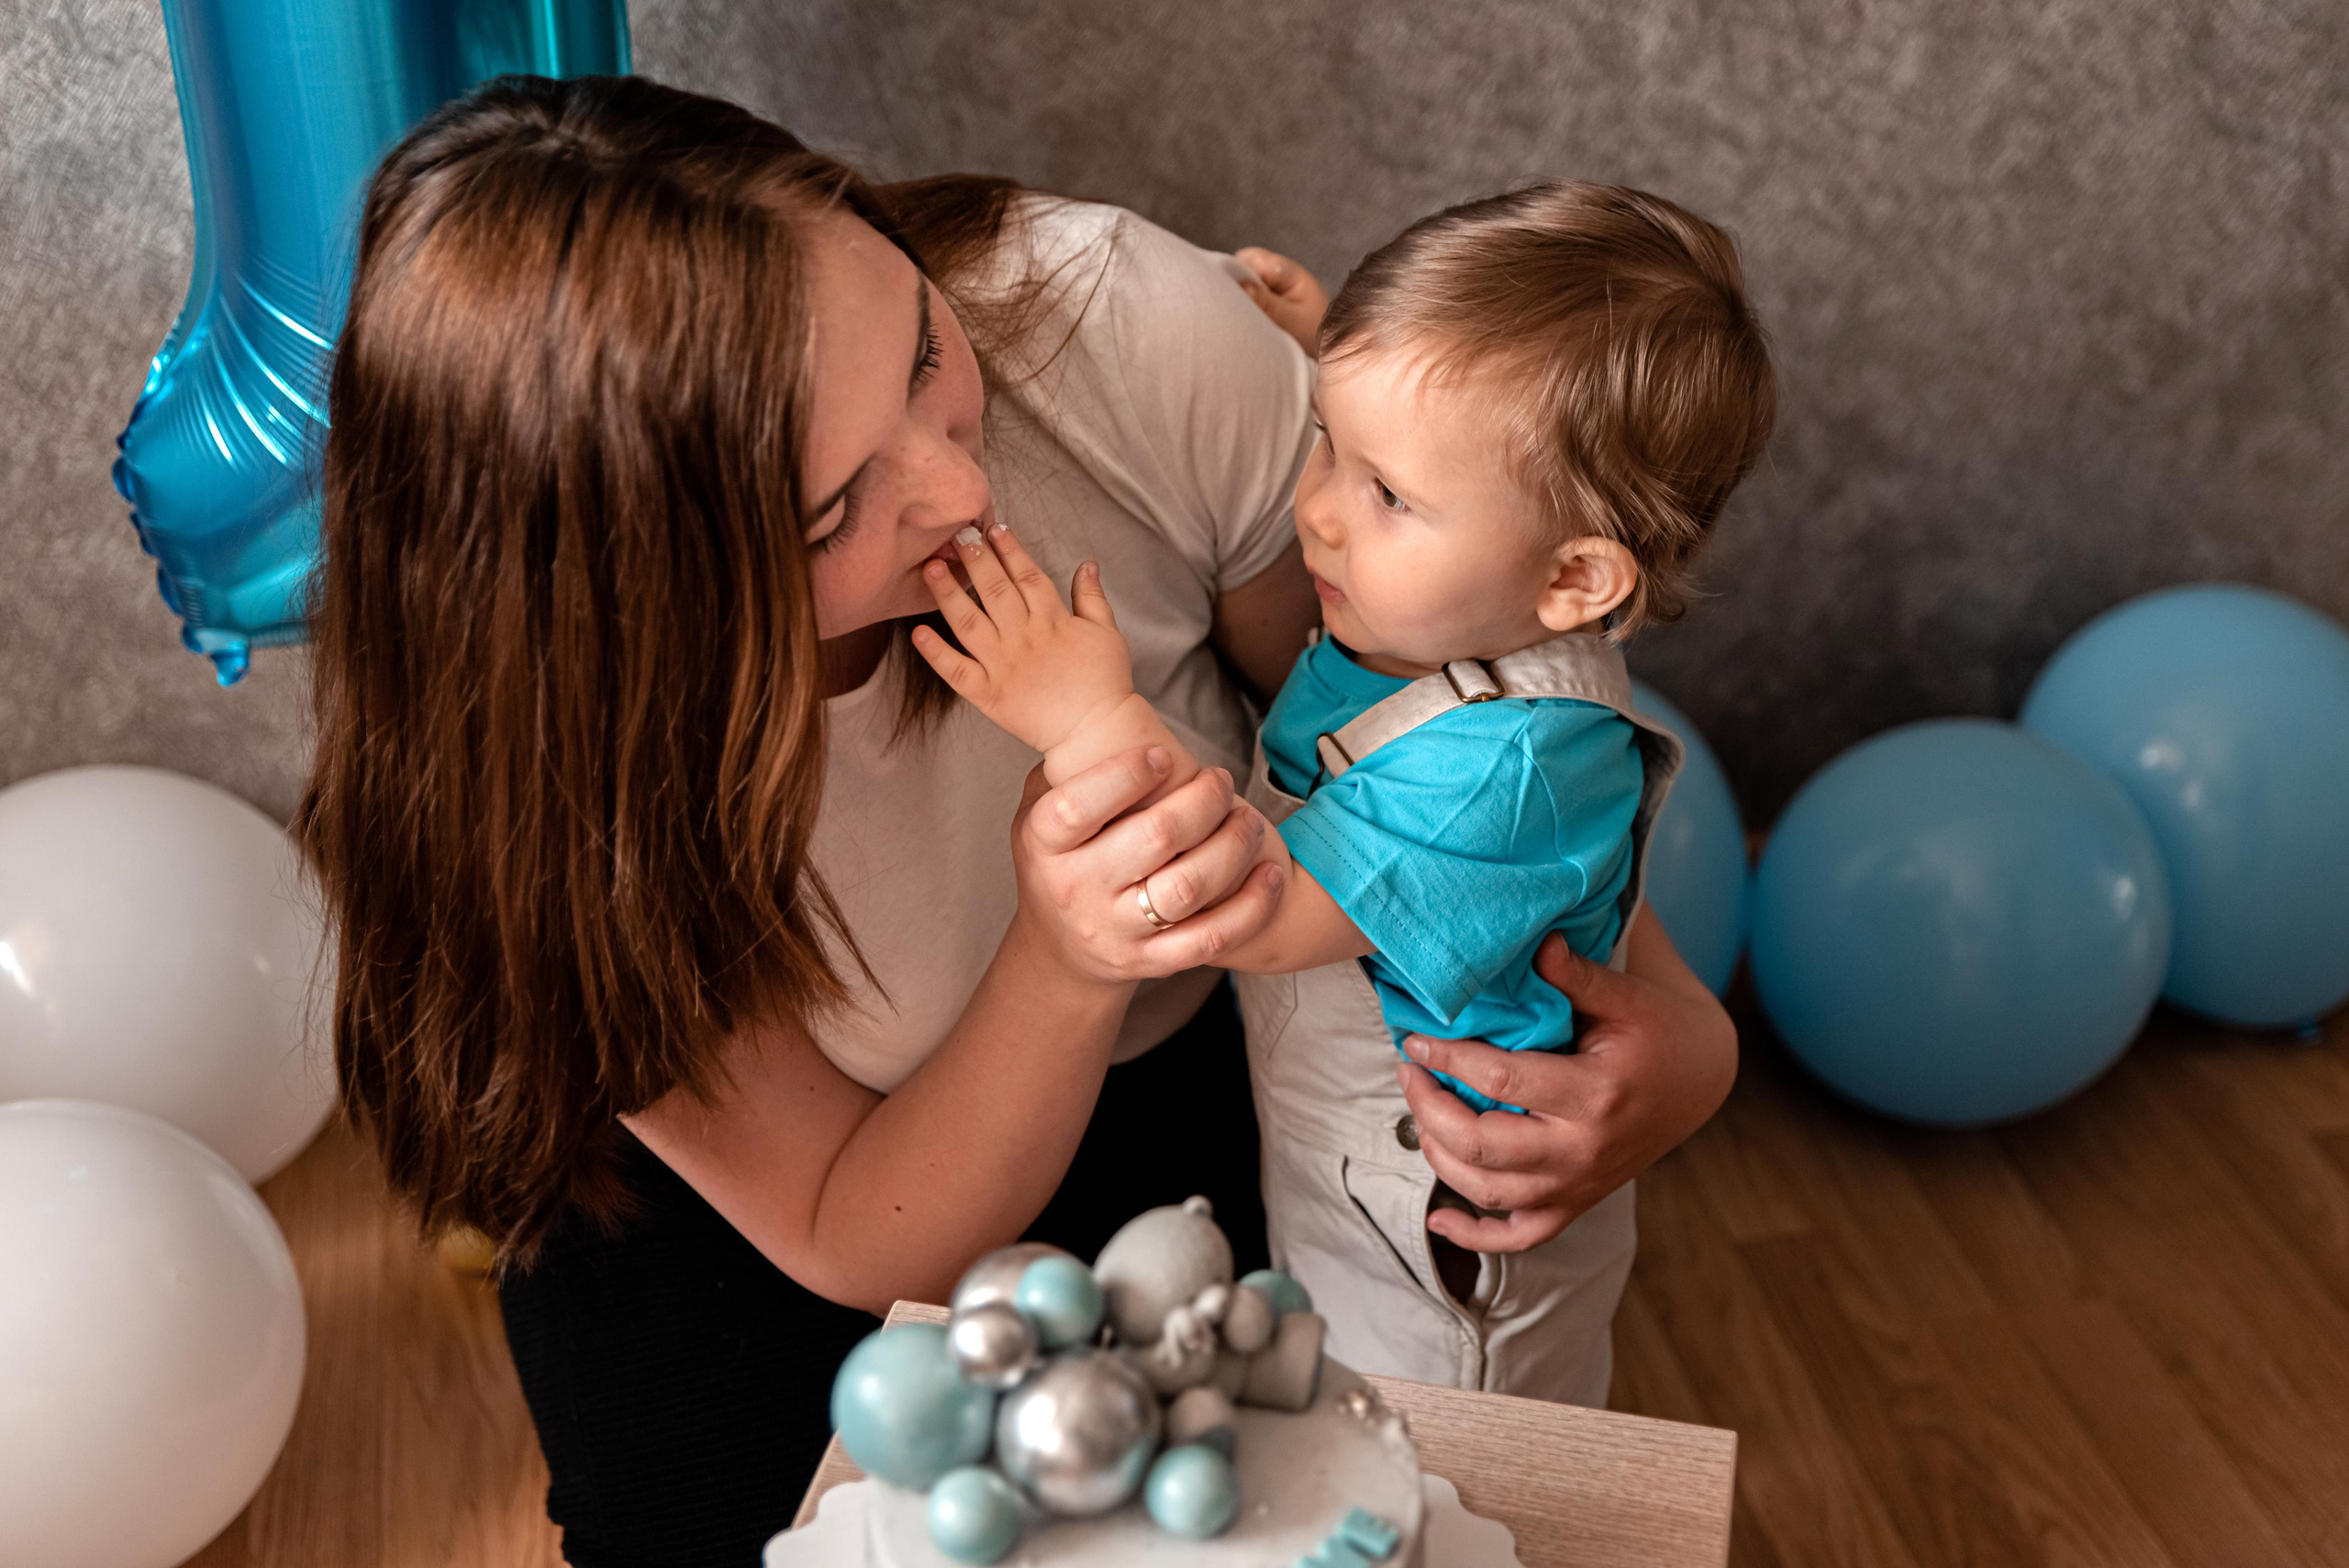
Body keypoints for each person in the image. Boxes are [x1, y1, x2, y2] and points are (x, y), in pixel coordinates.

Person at [295, 74, 1739, 1568]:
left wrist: (1681, 1029)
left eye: (925, 348)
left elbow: (1448, 745)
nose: (961, 484)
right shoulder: (533, 787)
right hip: (819, 1189)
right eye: (828, 513)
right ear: (639, 602)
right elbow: (866, 1230)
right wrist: (1065, 949)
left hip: (1184, 1056)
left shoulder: (1114, 324)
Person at [911, 183, 1774, 1403]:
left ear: (1575, 576)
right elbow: (1461, 474)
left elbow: (1254, 907)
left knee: (1439, 1470)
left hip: (1439, 1241)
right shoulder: (1455, 595)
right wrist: (1351, 384)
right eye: (1328, 443)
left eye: (1386, 495)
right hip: (1340, 1169)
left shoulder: (1506, 770)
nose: (1313, 511)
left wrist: (1088, 720)